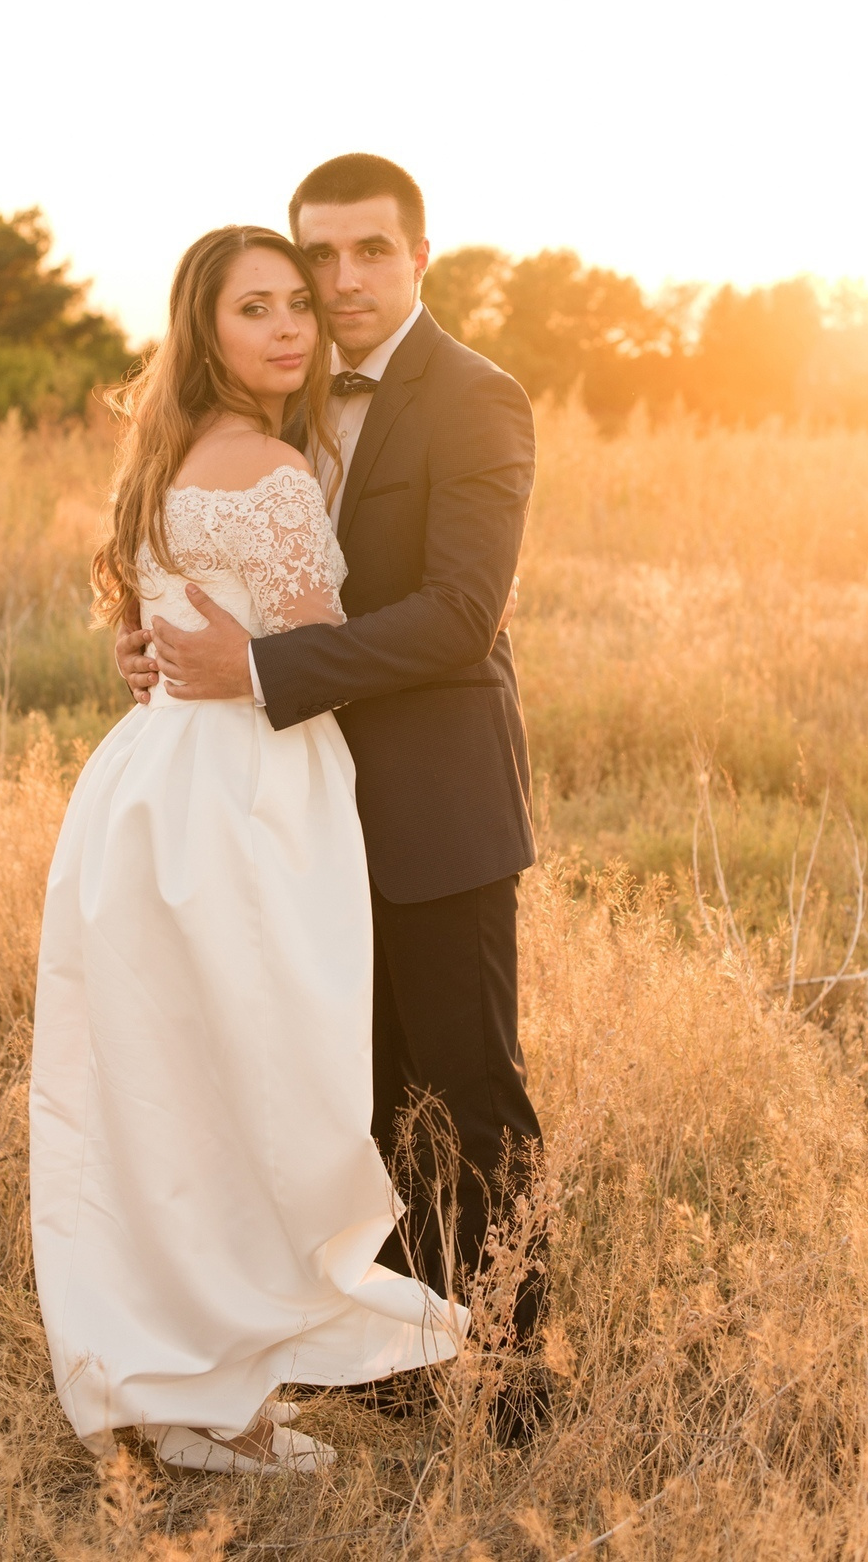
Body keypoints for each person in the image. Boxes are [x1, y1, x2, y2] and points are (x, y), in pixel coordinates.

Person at [120, 154, 548, 1443]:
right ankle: (398, 1357)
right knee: (355, 1096)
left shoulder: (476, 397)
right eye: (321, 256)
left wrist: (255, 670)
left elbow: (461, 614)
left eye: (370, 251)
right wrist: (160, 644)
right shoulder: (282, 402)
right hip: (297, 813)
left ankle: (516, 1377)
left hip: (432, 803)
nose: (342, 279)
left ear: (418, 256)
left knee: (470, 1089)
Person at [31, 224, 463, 1479]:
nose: (286, 328)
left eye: (296, 306)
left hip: (149, 786)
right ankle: (220, 1390)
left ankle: (188, 1381)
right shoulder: (271, 469)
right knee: (265, 1087)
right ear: (203, 329)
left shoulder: (160, 460)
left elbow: (164, 626)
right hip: (246, 796)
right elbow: (322, 650)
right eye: (253, 309)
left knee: (172, 1090)